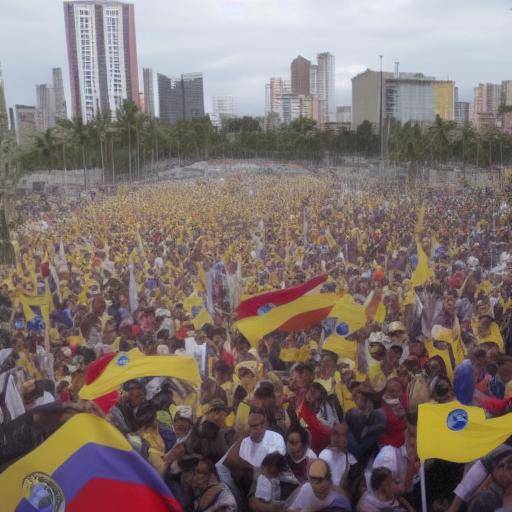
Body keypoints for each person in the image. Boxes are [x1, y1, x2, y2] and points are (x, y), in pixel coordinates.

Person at [286, 459, 351, 511]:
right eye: (317, 481)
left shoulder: (339, 501)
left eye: (323, 479)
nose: (321, 486)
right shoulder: (306, 489)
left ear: (329, 480)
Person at [319, 423, 358, 492]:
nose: (338, 439)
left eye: (344, 435)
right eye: (335, 434)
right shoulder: (326, 455)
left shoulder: (350, 458)